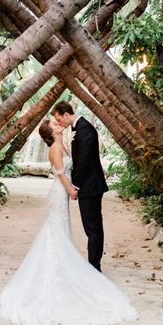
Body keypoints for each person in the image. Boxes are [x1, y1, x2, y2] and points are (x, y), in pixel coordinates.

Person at [0, 119, 138, 325]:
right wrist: (72, 189)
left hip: (63, 193)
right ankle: (57, 270)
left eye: (57, 121)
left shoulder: (62, 143)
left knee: (61, 230)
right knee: (56, 230)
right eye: (53, 124)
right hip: (58, 193)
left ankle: (63, 266)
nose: (57, 123)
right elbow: (61, 173)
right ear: (50, 132)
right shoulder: (55, 148)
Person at [51, 101, 107, 272]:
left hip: (91, 187)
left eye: (59, 119)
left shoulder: (85, 129)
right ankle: (93, 264)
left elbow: (83, 161)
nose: (59, 123)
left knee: (93, 228)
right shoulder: (77, 128)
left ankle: (95, 267)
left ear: (66, 114)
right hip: (88, 186)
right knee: (91, 227)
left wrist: (74, 186)